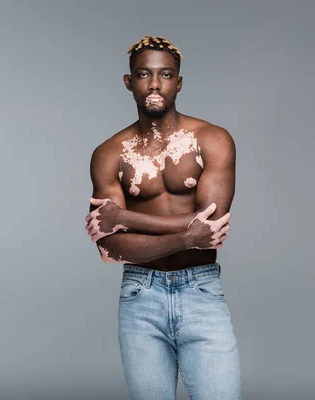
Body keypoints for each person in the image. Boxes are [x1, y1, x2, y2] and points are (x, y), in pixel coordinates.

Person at [85, 35, 241, 400]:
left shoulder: (212, 140)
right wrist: (187, 236)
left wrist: (123, 216)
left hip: (201, 291)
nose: (155, 85)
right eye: (144, 74)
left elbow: (210, 227)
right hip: (140, 293)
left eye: (166, 75)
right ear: (129, 82)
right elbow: (111, 248)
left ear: (179, 83)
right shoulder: (110, 153)